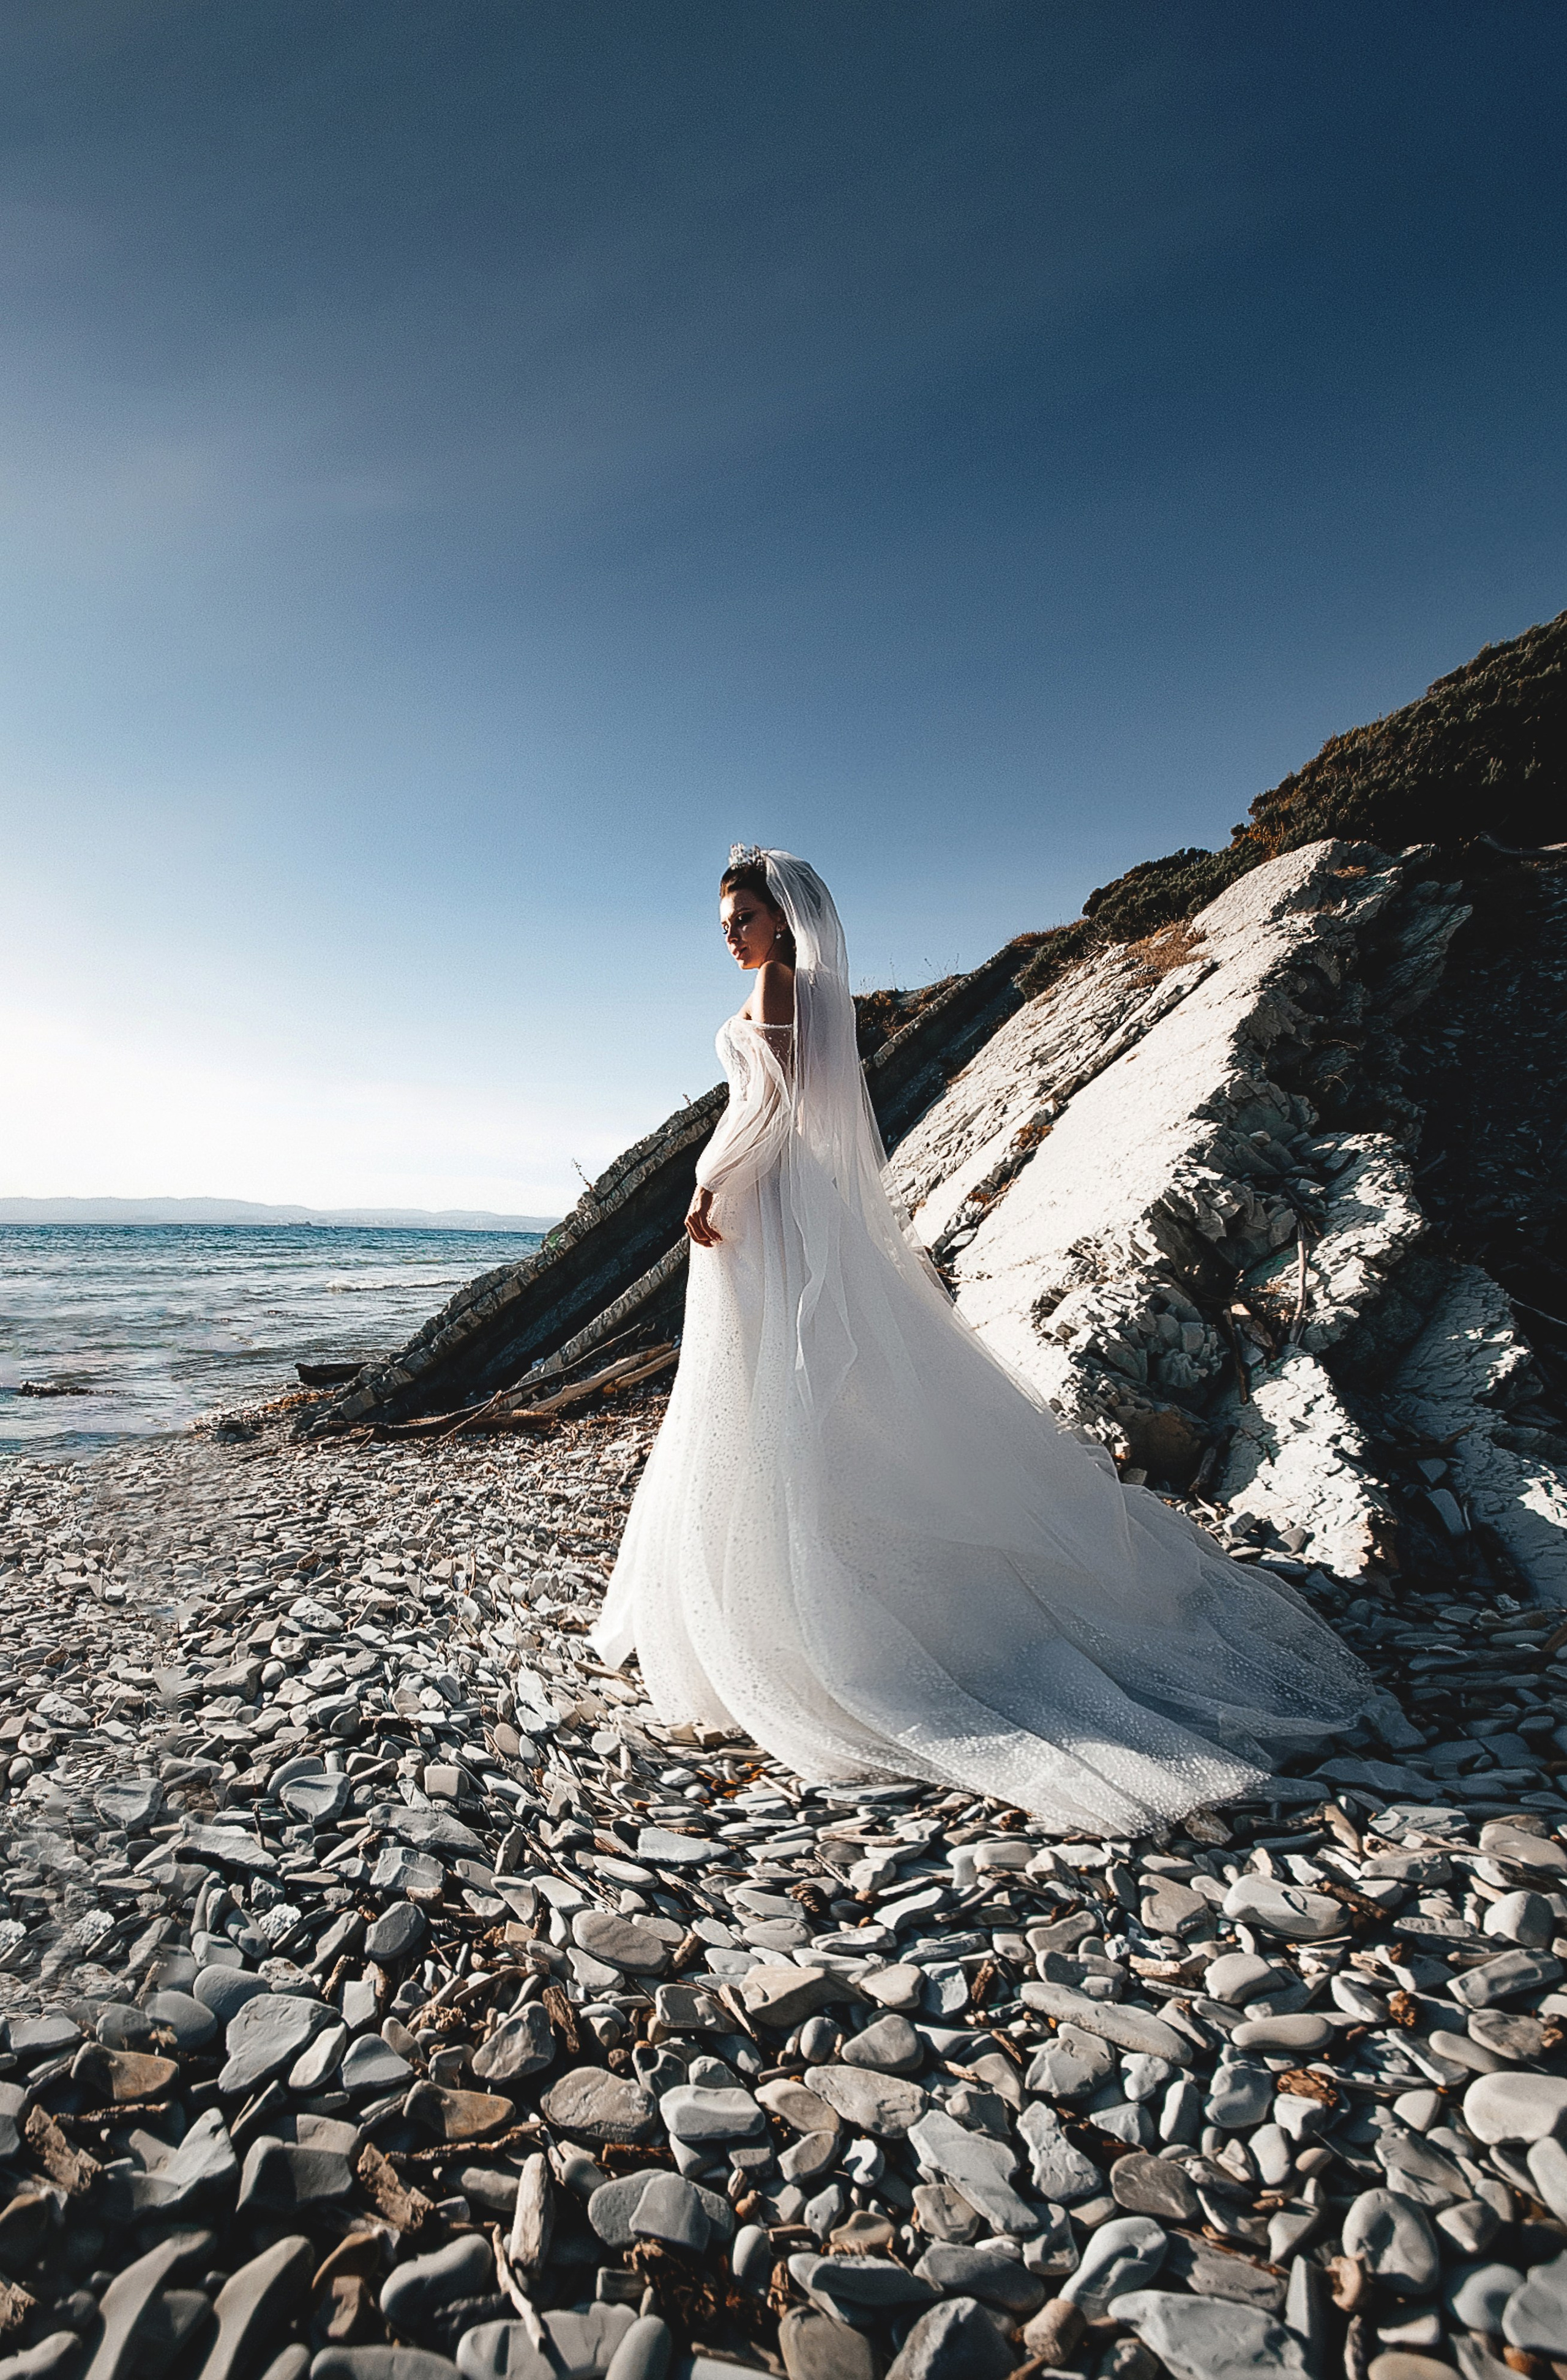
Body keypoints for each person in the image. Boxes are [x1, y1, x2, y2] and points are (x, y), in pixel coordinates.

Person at [593, 847, 1369, 1833]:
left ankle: (815, 1599)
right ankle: (753, 1587)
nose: (732, 937)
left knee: (774, 1378)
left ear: (782, 923)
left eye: (742, 919)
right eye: (725, 925)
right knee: (747, 1381)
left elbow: (779, 1105)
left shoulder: (782, 985)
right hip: (760, 1211)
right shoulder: (773, 985)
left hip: (766, 1204)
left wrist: (715, 1183)